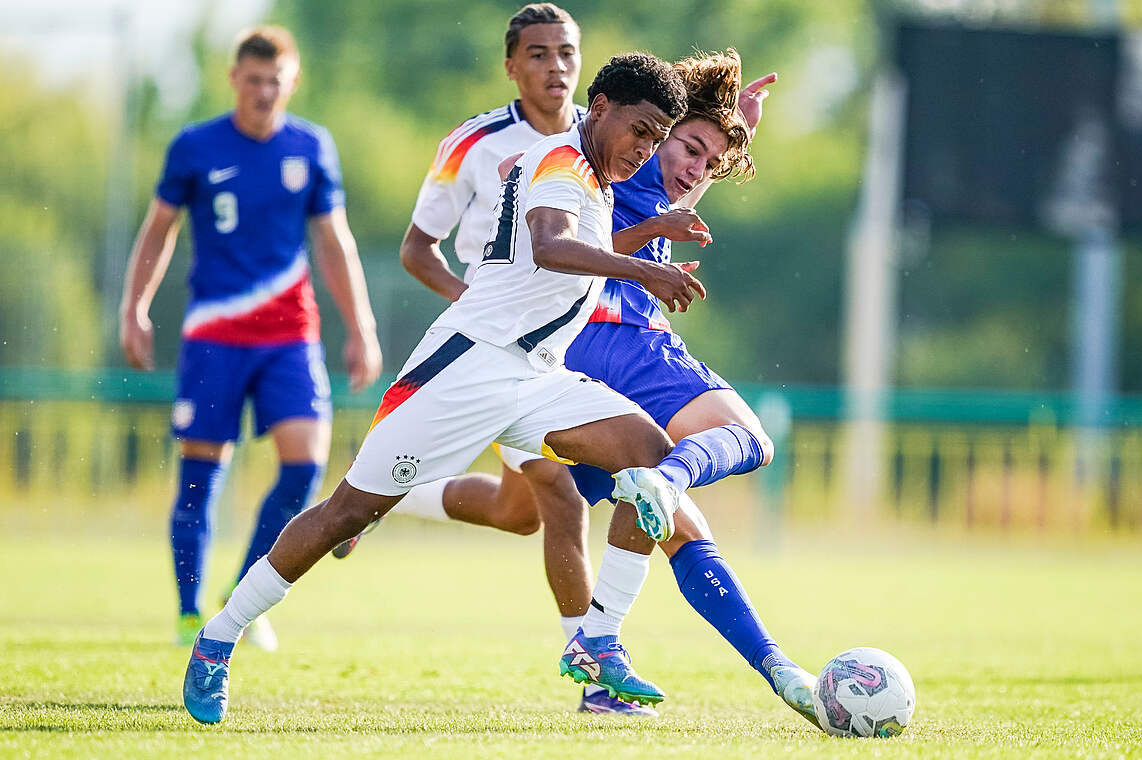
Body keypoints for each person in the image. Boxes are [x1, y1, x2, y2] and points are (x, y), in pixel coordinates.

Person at [182, 51, 761, 726]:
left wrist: (656, 231)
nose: (646, 149)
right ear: (600, 108)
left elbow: (589, 245)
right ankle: (218, 639)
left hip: (537, 374)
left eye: (659, 138)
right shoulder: (559, 162)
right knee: (346, 512)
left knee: (648, 456)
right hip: (466, 369)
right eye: (641, 130)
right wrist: (642, 272)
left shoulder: (597, 178)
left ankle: (599, 642)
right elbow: (550, 245)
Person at [368, 50, 818, 727]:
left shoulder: (645, 171)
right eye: (687, 145)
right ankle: (756, 662)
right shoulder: (606, 162)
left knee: (516, 512)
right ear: (648, 126)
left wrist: (726, 137)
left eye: (708, 159)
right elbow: (613, 233)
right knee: (731, 451)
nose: (694, 165)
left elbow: (671, 200)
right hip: (611, 346)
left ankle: (387, 494)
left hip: (550, 363)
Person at [119, 25, 382, 652]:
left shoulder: (312, 147)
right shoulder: (194, 146)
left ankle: (242, 599)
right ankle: (188, 612)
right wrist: (135, 308)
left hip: (290, 334)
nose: (265, 92)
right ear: (235, 79)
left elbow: (334, 241)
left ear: (292, 82)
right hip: (213, 337)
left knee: (306, 466)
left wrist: (362, 327)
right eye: (254, 80)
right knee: (201, 475)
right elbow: (158, 230)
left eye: (277, 81)